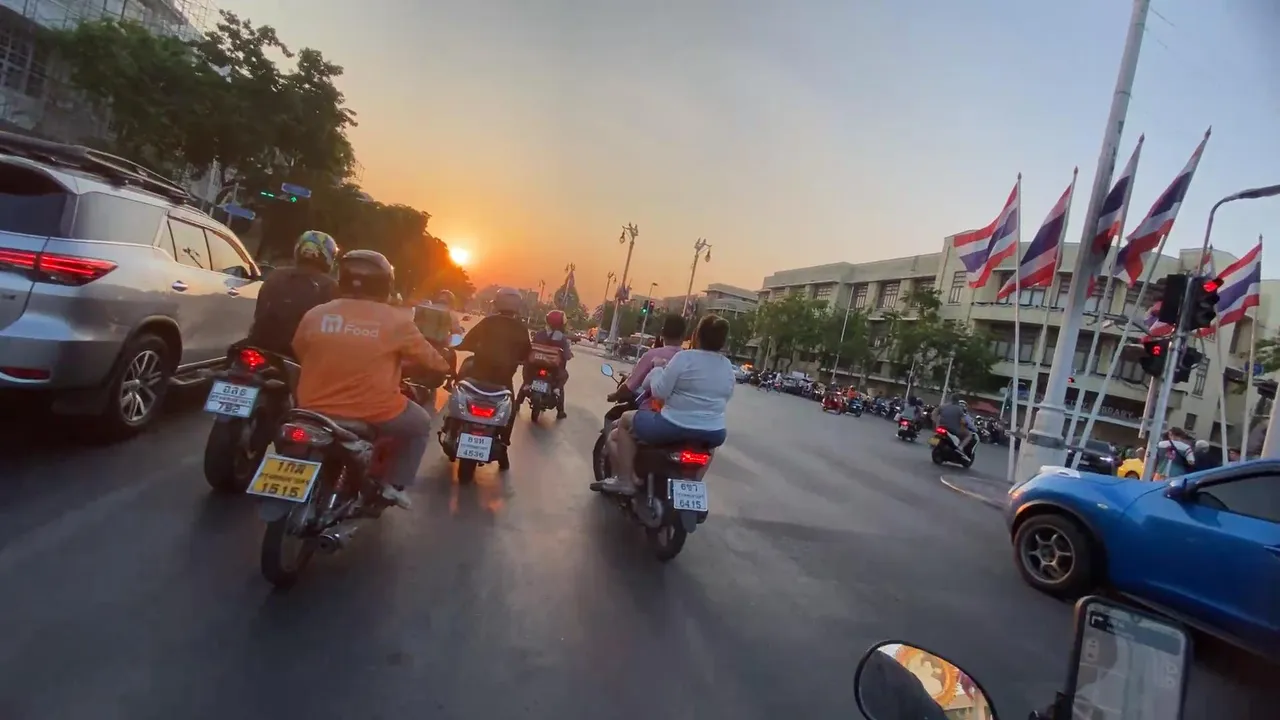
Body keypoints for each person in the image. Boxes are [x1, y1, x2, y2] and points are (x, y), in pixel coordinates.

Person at [292, 250, 450, 510]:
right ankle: (393, 485)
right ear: (385, 284)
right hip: (374, 410)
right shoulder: (397, 321)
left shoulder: (316, 314)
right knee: (421, 424)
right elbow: (434, 361)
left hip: (311, 406)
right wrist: (443, 367)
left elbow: (300, 350)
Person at [592, 314, 735, 495]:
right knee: (708, 447)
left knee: (626, 420)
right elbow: (727, 395)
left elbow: (660, 392)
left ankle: (625, 481)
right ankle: (693, 485)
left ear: (696, 335)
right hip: (714, 431)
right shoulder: (727, 366)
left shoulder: (685, 358)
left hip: (674, 425)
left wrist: (658, 368)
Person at [455, 287, 532, 443]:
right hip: (503, 382)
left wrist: (460, 345)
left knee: (457, 391)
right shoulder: (521, 328)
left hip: (477, 376)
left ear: (496, 303)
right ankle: (504, 442)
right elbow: (527, 354)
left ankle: (452, 426)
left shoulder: (487, 322)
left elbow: (467, 342)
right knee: (511, 409)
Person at [247, 230, 339, 358]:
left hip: (260, 345)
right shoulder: (331, 286)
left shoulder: (276, 275)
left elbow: (259, 313)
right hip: (300, 354)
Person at [520, 309, 574, 419]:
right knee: (561, 382)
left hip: (535, 366)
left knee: (527, 380)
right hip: (554, 369)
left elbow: (531, 348)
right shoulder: (562, 338)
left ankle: (518, 402)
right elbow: (567, 355)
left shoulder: (540, 334)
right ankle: (560, 411)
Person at [623, 314, 686, 403]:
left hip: (650, 408)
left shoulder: (652, 356)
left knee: (621, 412)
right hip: (681, 408)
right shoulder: (689, 359)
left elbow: (631, 385)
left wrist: (615, 395)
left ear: (662, 332)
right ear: (684, 335)